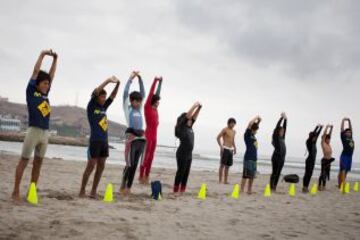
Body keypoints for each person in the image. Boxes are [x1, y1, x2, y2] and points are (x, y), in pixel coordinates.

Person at [12, 49, 58, 201]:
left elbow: (51, 75)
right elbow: (36, 70)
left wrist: (55, 60)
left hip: (45, 133)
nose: (47, 85)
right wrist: (43, 54)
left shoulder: (45, 94)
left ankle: (31, 192)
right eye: (44, 83)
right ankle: (16, 191)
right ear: (38, 83)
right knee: (24, 161)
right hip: (33, 131)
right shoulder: (31, 91)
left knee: (38, 163)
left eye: (48, 84)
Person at [79, 76, 120, 198]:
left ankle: (93, 191)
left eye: (104, 97)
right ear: (97, 98)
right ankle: (82, 190)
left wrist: (118, 84)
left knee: (101, 166)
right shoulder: (92, 106)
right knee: (91, 166)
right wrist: (108, 81)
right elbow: (96, 91)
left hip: (104, 141)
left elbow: (112, 96)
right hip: (95, 141)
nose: (103, 99)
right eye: (102, 97)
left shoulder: (104, 107)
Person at [120, 71, 146, 195]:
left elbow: (143, 93)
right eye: (137, 101)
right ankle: (123, 185)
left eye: (140, 101)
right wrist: (130, 78)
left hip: (141, 140)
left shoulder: (139, 108)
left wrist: (140, 78)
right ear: (132, 101)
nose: (140, 103)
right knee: (129, 165)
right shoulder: (128, 108)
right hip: (131, 140)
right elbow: (125, 94)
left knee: (135, 165)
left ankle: (128, 188)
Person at [173, 102, 202, 193]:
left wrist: (199, 109)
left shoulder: (190, 127)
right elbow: (188, 116)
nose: (190, 120)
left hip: (189, 154)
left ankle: (182, 190)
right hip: (182, 153)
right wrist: (194, 106)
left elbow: (193, 117)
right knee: (181, 172)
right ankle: (175, 190)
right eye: (188, 119)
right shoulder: (181, 127)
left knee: (186, 173)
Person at [139, 76, 163, 184]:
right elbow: (151, 93)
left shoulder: (155, 109)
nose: (159, 102)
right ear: (153, 101)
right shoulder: (147, 107)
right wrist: (155, 80)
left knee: (151, 157)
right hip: (148, 136)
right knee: (146, 156)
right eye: (157, 101)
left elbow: (157, 93)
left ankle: (146, 176)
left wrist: (161, 83)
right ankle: (140, 176)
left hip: (155, 137)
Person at [240, 116, 261, 194]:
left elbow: (254, 126)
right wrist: (256, 117)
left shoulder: (253, 136)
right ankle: (241, 190)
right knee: (245, 175)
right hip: (248, 158)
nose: (256, 132)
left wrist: (258, 122)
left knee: (252, 176)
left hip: (254, 158)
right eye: (256, 130)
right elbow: (250, 124)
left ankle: (249, 190)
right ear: (252, 130)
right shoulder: (247, 135)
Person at [302, 124, 323, 193]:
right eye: (314, 137)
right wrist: (317, 127)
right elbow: (314, 135)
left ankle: (306, 187)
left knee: (310, 174)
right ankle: (304, 187)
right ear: (311, 136)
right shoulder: (309, 142)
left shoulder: (314, 142)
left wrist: (321, 128)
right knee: (307, 174)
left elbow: (317, 134)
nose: (315, 138)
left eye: (315, 137)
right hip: (309, 160)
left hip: (313, 161)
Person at [270, 112, 287, 191]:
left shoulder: (282, 138)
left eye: (283, 131)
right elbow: (277, 127)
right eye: (281, 131)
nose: (283, 132)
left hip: (282, 158)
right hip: (276, 157)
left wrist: (286, 120)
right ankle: (271, 186)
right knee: (274, 172)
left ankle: (274, 187)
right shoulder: (276, 137)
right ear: (278, 131)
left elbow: (285, 128)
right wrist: (281, 118)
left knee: (278, 173)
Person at [216, 118, 237, 184]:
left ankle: (225, 180)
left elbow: (233, 140)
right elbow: (218, 137)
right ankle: (220, 180)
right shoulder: (225, 129)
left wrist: (235, 148)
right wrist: (221, 146)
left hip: (231, 150)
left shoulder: (234, 131)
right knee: (222, 165)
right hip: (225, 148)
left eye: (234, 123)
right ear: (228, 123)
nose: (233, 124)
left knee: (228, 166)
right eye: (232, 123)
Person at [338, 118, 355, 188]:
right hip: (344, 156)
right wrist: (343, 120)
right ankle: (343, 184)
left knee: (346, 171)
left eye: (350, 132)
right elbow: (341, 129)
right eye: (347, 132)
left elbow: (351, 129)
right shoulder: (343, 137)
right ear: (345, 133)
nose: (349, 133)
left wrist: (349, 121)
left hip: (350, 157)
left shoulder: (351, 138)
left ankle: (340, 183)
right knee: (343, 169)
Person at [318, 124, 334, 191]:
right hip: (324, 160)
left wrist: (331, 129)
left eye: (329, 139)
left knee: (326, 174)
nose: (329, 140)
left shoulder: (328, 144)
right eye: (327, 139)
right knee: (323, 174)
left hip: (329, 161)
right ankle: (319, 186)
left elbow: (329, 134)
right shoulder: (323, 143)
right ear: (324, 139)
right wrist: (327, 127)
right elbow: (324, 135)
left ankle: (324, 186)